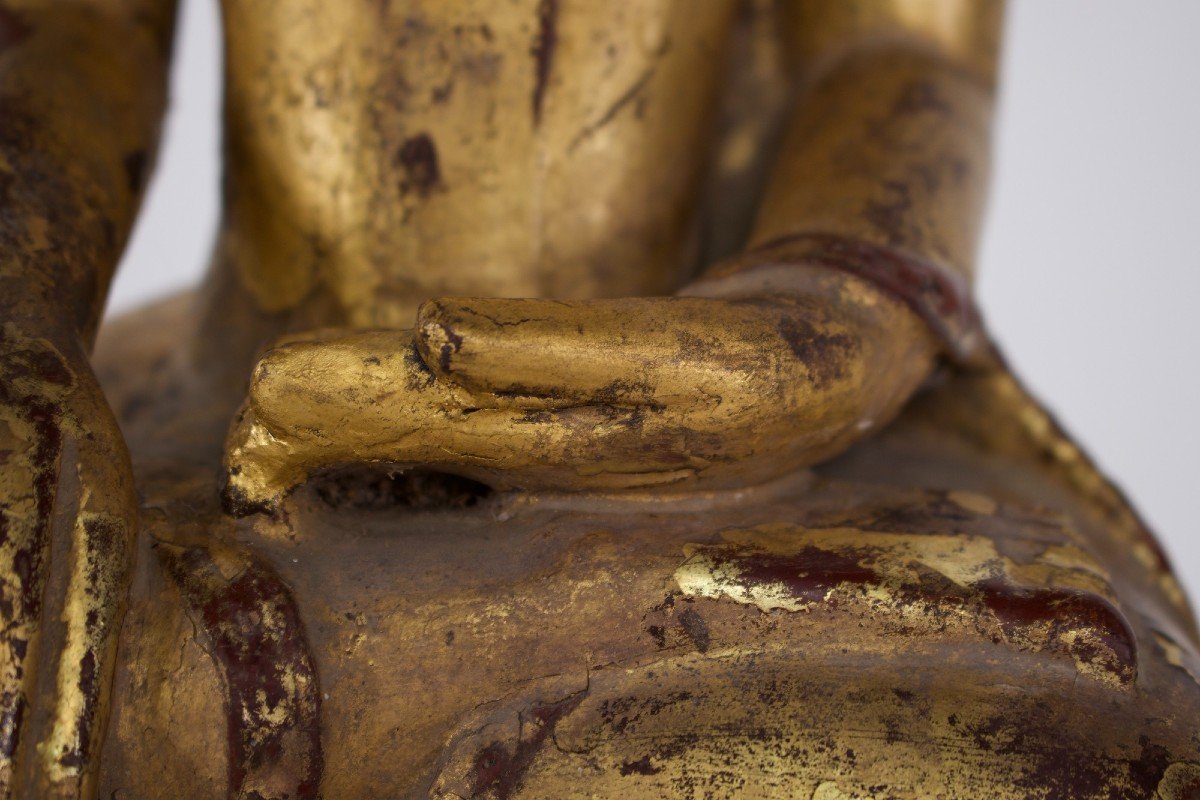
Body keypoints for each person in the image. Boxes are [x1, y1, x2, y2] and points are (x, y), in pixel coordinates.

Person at [1, 0, 1196, 797]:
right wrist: (22, 322)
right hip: (232, 439)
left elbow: (898, 48)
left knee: (1092, 733)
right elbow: (64, 27)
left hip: (744, 431)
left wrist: (819, 334)